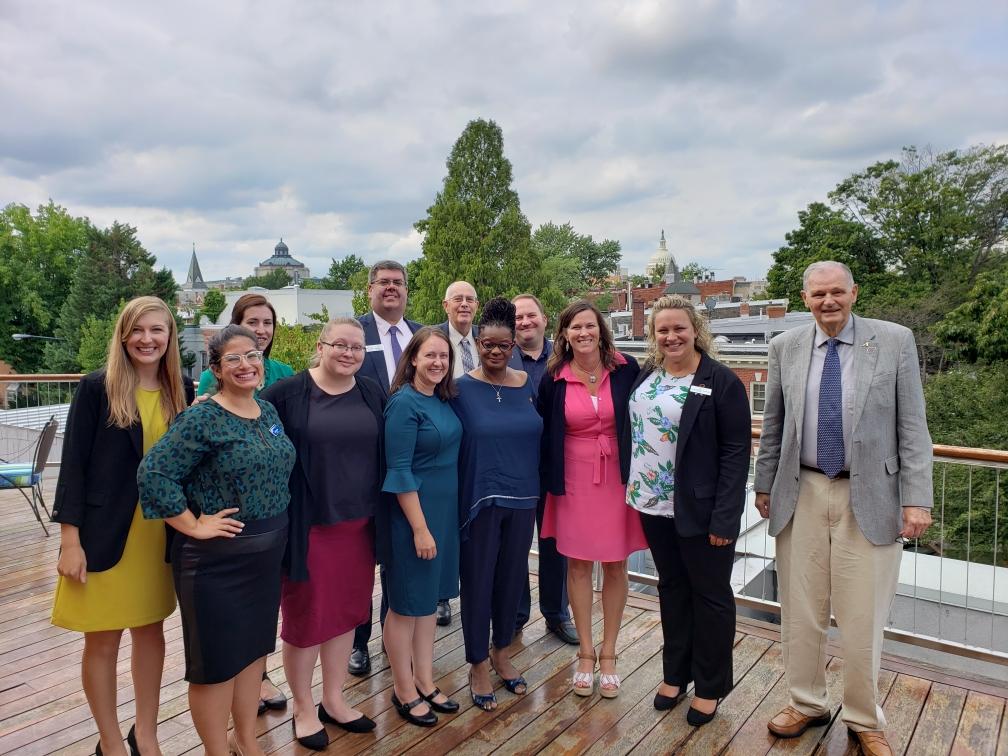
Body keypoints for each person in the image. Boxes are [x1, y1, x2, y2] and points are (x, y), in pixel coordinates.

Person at [754, 261, 933, 756]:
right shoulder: (785, 347)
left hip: (871, 496)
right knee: (801, 610)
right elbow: (774, 425)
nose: (828, 301)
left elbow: (913, 427)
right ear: (805, 299)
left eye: (836, 292)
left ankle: (863, 717)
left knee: (862, 616)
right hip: (802, 491)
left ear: (854, 293)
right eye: (818, 294)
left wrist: (917, 498)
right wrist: (763, 485)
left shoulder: (894, 341)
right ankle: (806, 702)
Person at [138, 325, 295, 756]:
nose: (246, 364)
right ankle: (215, 749)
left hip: (266, 557)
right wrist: (192, 525)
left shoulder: (267, 411)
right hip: (215, 563)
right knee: (216, 665)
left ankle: (246, 740)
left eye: (252, 355)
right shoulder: (202, 417)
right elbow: (154, 473)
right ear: (217, 370)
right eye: (234, 359)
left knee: (253, 654)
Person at [51, 296, 194, 756]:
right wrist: (69, 541)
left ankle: (146, 735)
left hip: (159, 535)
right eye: (138, 330)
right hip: (103, 534)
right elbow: (73, 465)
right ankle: (110, 742)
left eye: (157, 330)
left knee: (151, 633)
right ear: (123, 335)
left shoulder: (182, 389)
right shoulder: (97, 388)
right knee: (103, 640)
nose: (147, 339)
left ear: (170, 336)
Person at [621, 295, 750, 726]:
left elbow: (735, 453)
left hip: (701, 510)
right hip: (651, 503)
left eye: (679, 328)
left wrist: (726, 517)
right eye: (663, 330)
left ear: (696, 330)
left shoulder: (721, 381)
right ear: (652, 335)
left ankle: (710, 686)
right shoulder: (648, 373)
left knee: (710, 597)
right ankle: (675, 674)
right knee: (672, 589)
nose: (671, 336)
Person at [261, 318, 385, 750]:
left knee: (347, 614)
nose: (349, 353)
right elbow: (252, 433)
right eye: (340, 345)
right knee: (306, 619)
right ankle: (303, 706)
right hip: (309, 526)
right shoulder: (287, 394)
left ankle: (333, 698)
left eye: (357, 348)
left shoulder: (371, 391)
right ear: (320, 346)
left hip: (359, 526)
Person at [538, 301, 645, 699]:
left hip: (618, 477)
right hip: (573, 480)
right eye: (575, 327)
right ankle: (585, 652)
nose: (583, 333)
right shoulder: (554, 378)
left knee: (616, 564)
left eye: (589, 326)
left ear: (601, 330)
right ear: (564, 335)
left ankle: (610, 653)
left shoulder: (627, 368)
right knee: (579, 565)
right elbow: (544, 431)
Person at [195, 292, 293, 716]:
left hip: (272, 514)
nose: (261, 330)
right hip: (230, 523)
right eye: (253, 322)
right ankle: (234, 694)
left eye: (267, 323)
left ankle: (260, 676)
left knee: (262, 611)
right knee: (226, 624)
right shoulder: (210, 386)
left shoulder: (283, 373)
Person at [451, 298, 542, 711]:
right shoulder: (460, 389)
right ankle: (477, 663)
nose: (495, 352)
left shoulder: (527, 385)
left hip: (524, 498)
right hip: (480, 500)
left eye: (503, 345)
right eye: (487, 344)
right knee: (478, 581)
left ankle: (501, 652)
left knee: (511, 578)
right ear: (477, 343)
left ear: (513, 346)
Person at [380, 327, 462, 727]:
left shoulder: (441, 399)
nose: (438, 362)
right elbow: (398, 470)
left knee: (427, 603)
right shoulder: (403, 404)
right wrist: (419, 528)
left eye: (444, 356)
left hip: (443, 516)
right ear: (413, 358)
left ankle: (425, 680)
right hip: (414, 518)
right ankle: (403, 688)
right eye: (430, 355)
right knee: (405, 606)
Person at [351, 259, 423, 675]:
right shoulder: (354, 334)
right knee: (362, 558)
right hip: (365, 461)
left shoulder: (421, 334)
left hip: (410, 464)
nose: (391, 288)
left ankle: (392, 635)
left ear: (407, 290)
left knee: (399, 553)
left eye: (398, 282)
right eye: (384, 282)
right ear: (370, 289)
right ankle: (358, 641)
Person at [508, 293, 577, 646]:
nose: (525, 322)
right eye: (517, 317)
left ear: (544, 319)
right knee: (515, 546)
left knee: (555, 545)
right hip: (515, 468)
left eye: (530, 315)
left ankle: (556, 614)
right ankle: (515, 615)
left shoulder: (564, 359)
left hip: (554, 467)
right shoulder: (501, 358)